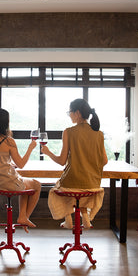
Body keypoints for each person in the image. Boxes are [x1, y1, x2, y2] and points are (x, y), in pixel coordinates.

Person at [41, 98, 108, 229]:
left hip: (72, 182)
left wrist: (48, 152)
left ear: (77, 113)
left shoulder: (68, 132)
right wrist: (89, 167)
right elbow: (104, 160)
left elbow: (61, 161)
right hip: (93, 183)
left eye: (70, 112)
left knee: (59, 188)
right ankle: (85, 218)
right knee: (79, 189)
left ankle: (68, 219)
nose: (69, 115)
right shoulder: (99, 134)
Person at [0, 108, 41, 232]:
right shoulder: (8, 141)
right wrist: (30, 148)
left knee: (24, 184)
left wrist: (7, 164)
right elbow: (21, 164)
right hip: (7, 182)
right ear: (5, 123)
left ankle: (22, 216)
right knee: (36, 185)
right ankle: (24, 217)